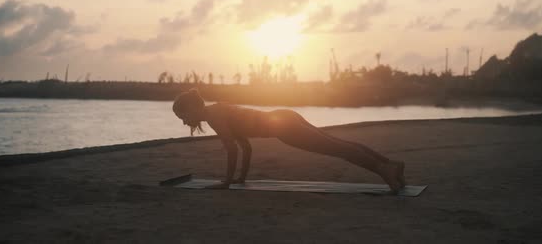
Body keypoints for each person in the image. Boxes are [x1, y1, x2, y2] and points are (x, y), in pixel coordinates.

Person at [172, 89, 406, 193]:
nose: (184, 122)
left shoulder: (214, 118)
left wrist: (226, 182)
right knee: (336, 143)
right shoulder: (218, 109)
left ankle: (384, 170)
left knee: (336, 149)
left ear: (193, 108)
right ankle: (390, 165)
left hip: (284, 127)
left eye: (183, 116)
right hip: (283, 116)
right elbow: (245, 146)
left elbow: (232, 150)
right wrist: (240, 178)